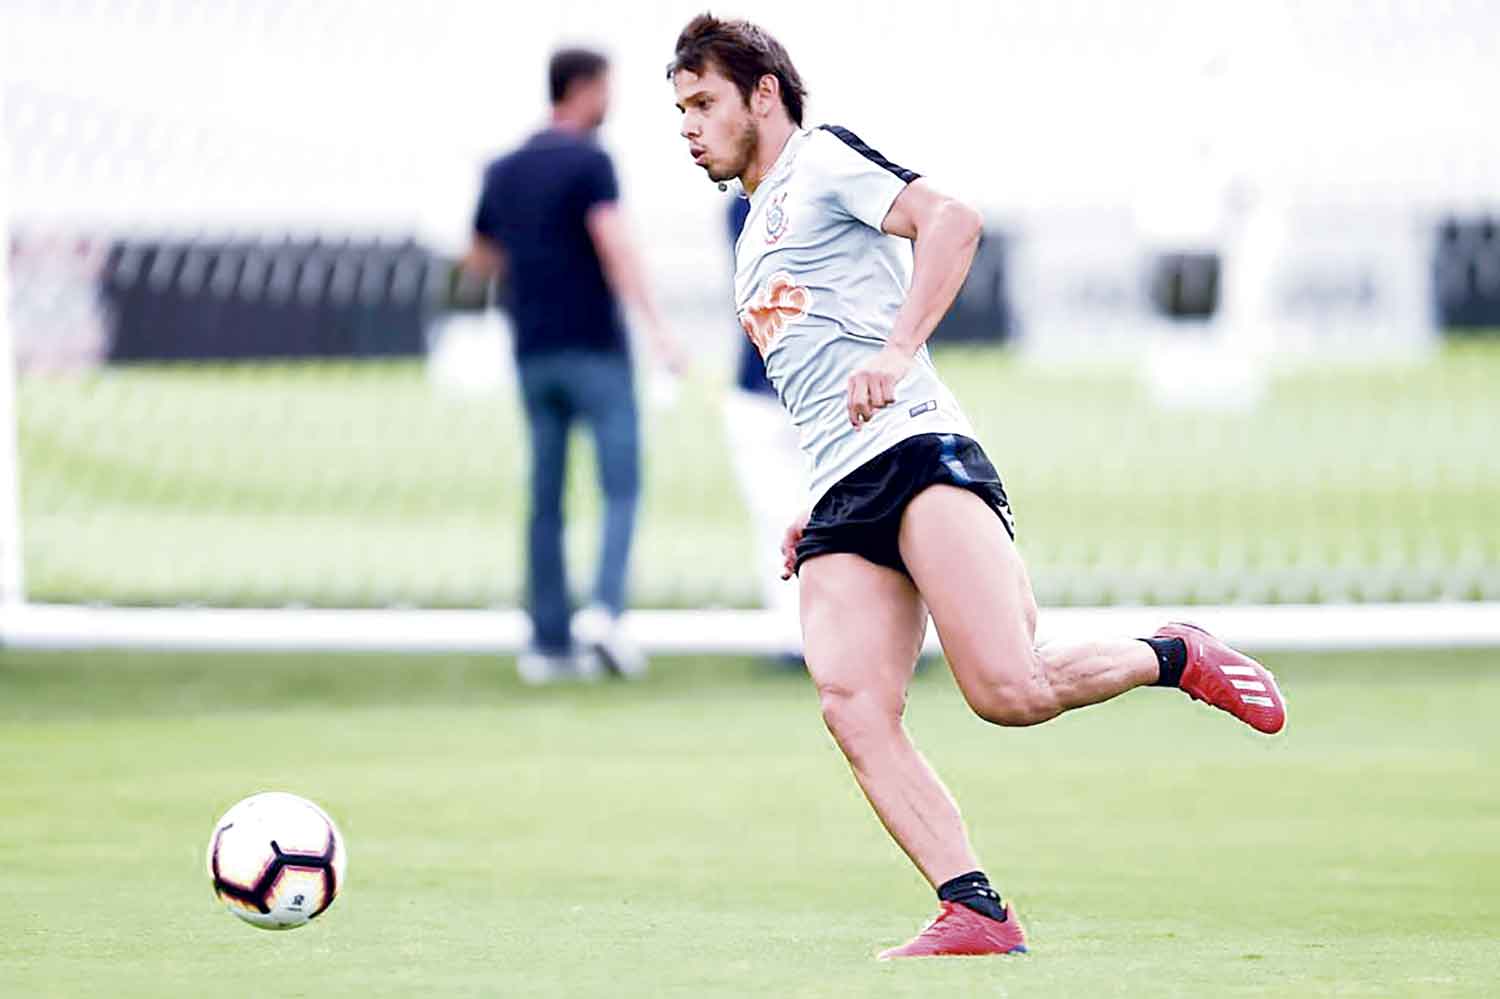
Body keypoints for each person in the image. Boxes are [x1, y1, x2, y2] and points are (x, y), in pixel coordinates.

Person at [667, 14, 1287, 959]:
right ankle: (975, 908)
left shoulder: (822, 159)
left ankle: (1172, 653)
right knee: (851, 703)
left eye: (704, 102)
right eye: (680, 109)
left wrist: (897, 350)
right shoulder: (753, 232)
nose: (688, 125)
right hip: (842, 486)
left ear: (764, 95)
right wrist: (815, 499)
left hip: (918, 451)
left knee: (1008, 688)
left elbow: (953, 221)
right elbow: (820, 377)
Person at [465, 48, 683, 684]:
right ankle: (606, 614)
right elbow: (614, 245)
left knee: (545, 498)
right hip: (595, 348)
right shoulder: (591, 162)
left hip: (534, 350)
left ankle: (547, 642)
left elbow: (479, 257)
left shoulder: (503, 168)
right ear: (583, 88)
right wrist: (658, 330)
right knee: (621, 484)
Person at [722, 195, 807, 636]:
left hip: (806, 388)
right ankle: (794, 627)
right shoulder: (747, 204)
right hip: (768, 388)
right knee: (776, 515)